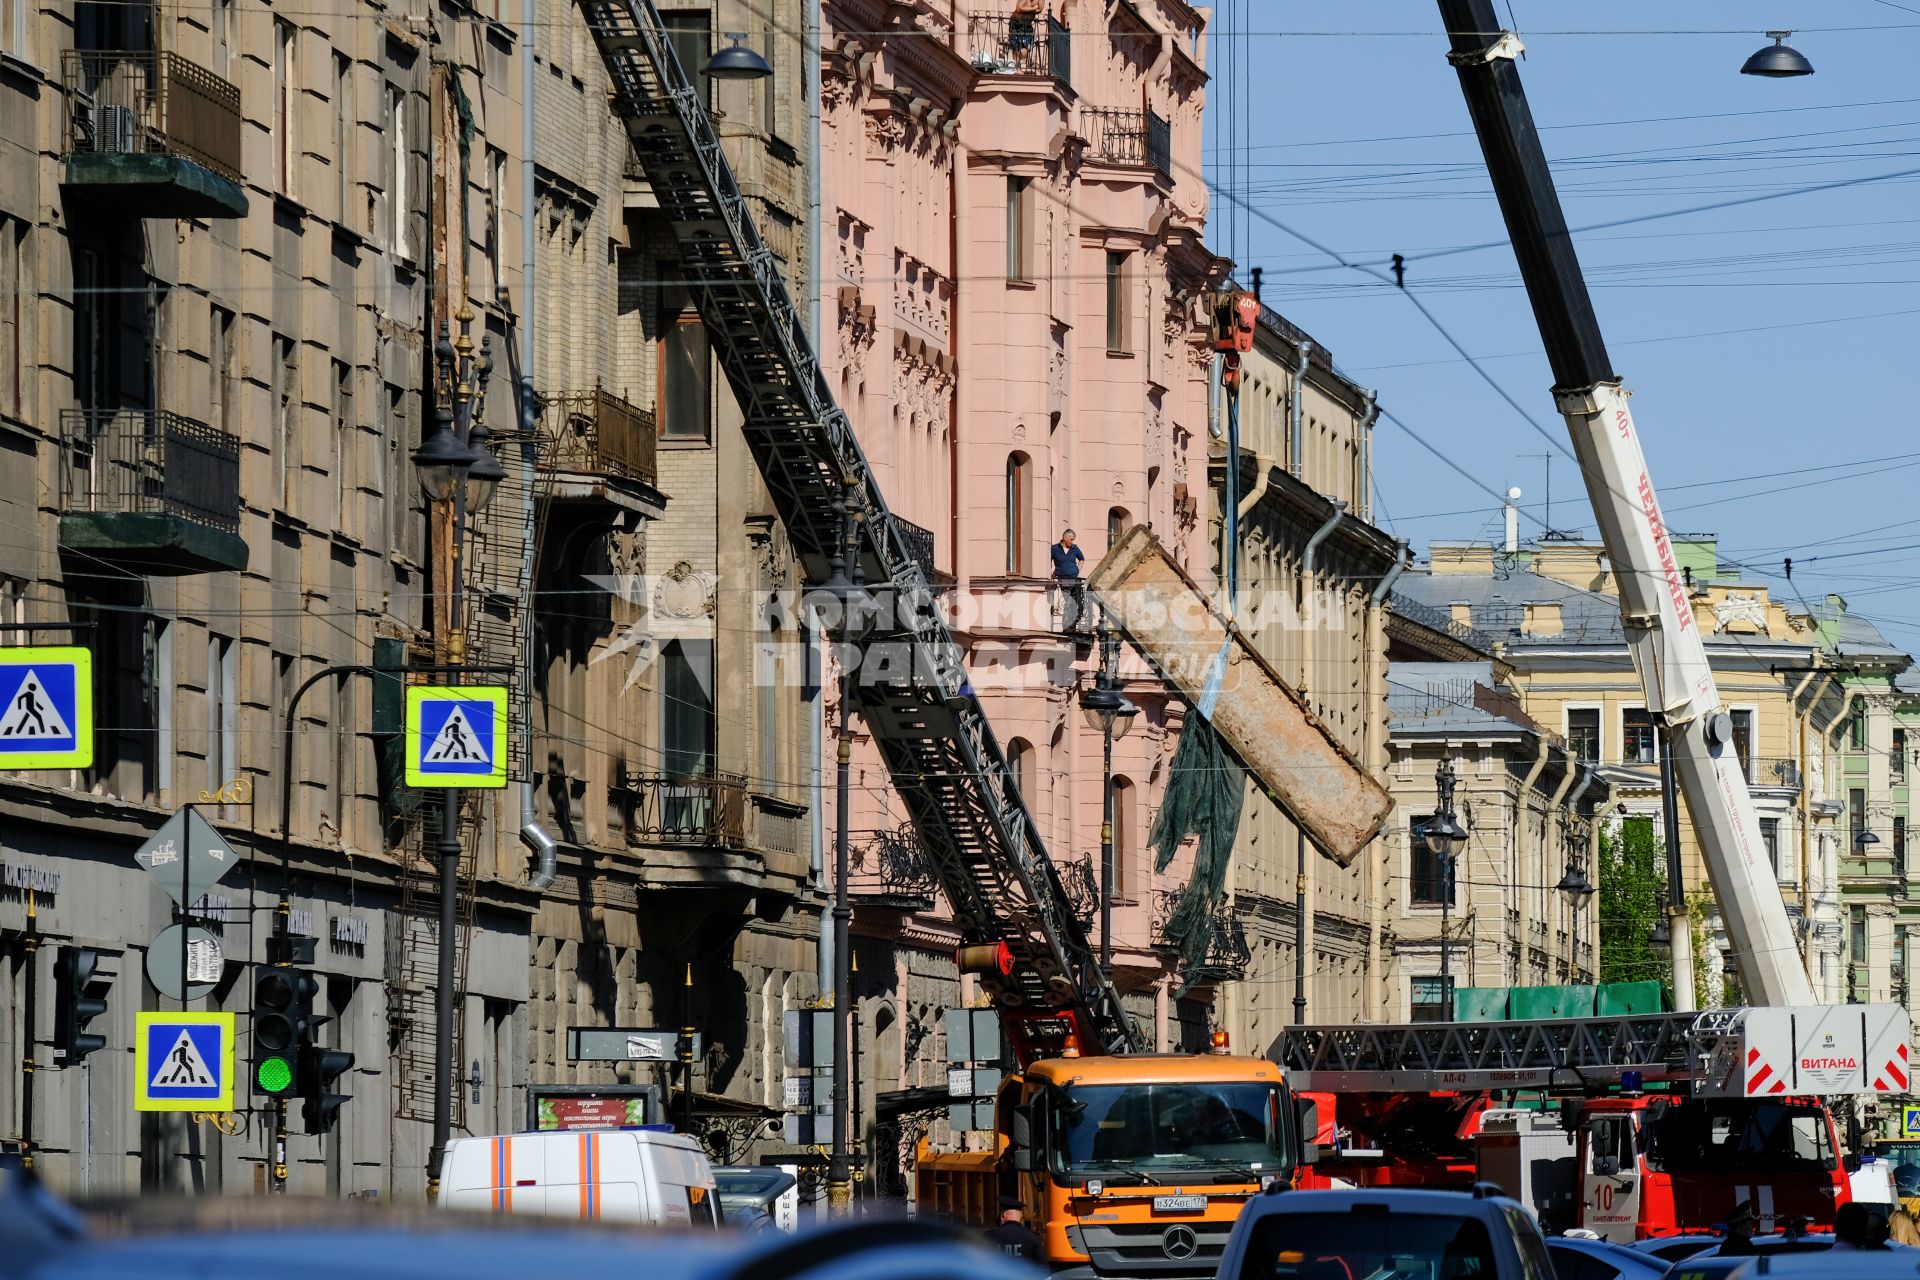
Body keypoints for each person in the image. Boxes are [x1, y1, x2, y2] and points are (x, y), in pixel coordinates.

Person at [983, 1196, 1042, 1264]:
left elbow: (979, 1265)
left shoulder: (988, 1236)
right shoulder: (1033, 1237)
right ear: (1021, 1218)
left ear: (1003, 1217)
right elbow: (1043, 1268)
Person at [1050, 529, 1086, 633]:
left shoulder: (1075, 548)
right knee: (1069, 601)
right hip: (1063, 579)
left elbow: (1082, 559)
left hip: (1075, 579)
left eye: (1073, 539)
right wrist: (1052, 572)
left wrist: (1077, 570)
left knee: (1077, 602)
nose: (1072, 541)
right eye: (1071, 539)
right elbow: (1048, 559)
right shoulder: (1054, 548)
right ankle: (1066, 626)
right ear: (1065, 538)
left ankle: (1073, 625)